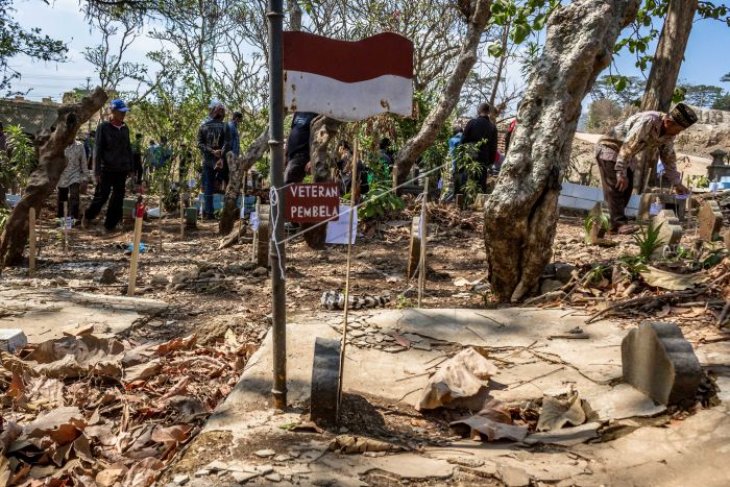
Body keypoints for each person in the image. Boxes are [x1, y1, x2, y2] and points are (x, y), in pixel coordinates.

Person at [595, 102, 696, 234]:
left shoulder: (669, 135)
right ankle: (618, 224)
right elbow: (629, 145)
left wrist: (677, 183)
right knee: (616, 186)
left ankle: (610, 225)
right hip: (610, 148)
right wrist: (620, 171)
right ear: (668, 122)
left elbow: (668, 159)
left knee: (626, 189)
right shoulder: (648, 120)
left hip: (628, 155)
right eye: (678, 129)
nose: (678, 132)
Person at [84, 99, 137, 233]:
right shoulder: (104, 128)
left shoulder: (125, 128)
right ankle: (88, 216)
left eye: (124, 112)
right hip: (106, 169)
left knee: (118, 197)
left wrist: (131, 168)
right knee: (102, 195)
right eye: (121, 112)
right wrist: (96, 171)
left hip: (121, 169)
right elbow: (97, 149)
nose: (123, 115)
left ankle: (110, 225)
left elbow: (128, 149)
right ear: (113, 112)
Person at [197, 100, 230, 219]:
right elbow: (227, 143)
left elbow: (200, 144)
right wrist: (220, 154)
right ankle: (224, 213)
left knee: (208, 186)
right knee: (226, 185)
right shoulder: (224, 126)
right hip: (221, 161)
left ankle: (209, 213)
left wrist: (212, 151)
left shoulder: (203, 125)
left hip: (208, 160)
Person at [461, 102, 498, 192]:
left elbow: (463, 140)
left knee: (467, 183)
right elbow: (493, 147)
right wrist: (490, 162)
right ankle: (478, 204)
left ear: (478, 111)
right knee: (480, 185)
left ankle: (465, 203)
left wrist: (462, 156)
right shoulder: (492, 127)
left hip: (470, 157)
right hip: (484, 159)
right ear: (488, 112)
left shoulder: (471, 123)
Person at [57, 138, 89, 221]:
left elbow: (84, 162)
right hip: (62, 175)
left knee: (74, 196)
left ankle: (72, 219)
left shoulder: (80, 146)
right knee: (62, 197)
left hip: (75, 175)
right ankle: (61, 219)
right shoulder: (60, 145)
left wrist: (85, 178)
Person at [284, 112, 317, 184]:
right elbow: (291, 132)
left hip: (302, 155)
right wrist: (285, 155)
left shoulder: (315, 113)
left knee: (288, 182)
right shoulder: (298, 112)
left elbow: (318, 138)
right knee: (292, 186)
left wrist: (312, 160)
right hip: (291, 156)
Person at [441, 126, 463, 203]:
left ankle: (444, 203)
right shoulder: (465, 139)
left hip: (452, 167)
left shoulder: (452, 140)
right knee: (459, 189)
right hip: (463, 168)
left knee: (449, 189)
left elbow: (451, 154)